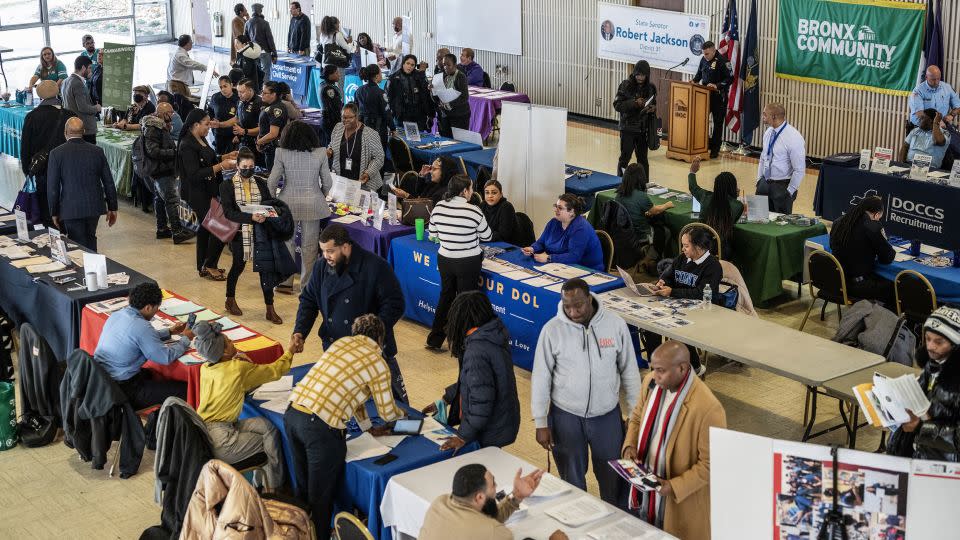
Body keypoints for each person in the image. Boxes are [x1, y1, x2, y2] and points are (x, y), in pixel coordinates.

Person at [285, 314, 402, 538]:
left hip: (293, 415)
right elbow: (388, 413)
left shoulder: (340, 343)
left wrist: (367, 427)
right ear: (380, 338)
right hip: (320, 429)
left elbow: (354, 393)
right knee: (320, 500)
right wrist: (404, 417)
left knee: (302, 491)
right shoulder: (378, 361)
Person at [531, 278, 640, 504]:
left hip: (607, 416)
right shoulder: (552, 330)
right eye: (567, 306)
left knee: (614, 479)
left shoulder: (615, 325)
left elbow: (630, 372)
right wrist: (541, 422)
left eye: (578, 305)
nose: (573, 311)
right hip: (565, 416)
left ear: (589, 298)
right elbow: (541, 378)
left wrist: (635, 416)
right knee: (572, 482)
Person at [621, 341, 726, 539]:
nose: (654, 375)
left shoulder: (708, 408)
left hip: (680, 500)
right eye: (653, 369)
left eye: (661, 370)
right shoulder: (651, 383)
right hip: (648, 490)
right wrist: (630, 447)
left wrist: (673, 486)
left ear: (682, 368)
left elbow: (712, 465)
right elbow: (636, 417)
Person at [291, 225, 408, 401]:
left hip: (373, 352)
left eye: (330, 251)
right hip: (334, 349)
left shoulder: (375, 266)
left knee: (393, 402)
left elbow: (395, 304)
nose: (326, 256)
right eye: (323, 251)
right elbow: (308, 301)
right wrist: (300, 331)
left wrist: (371, 333)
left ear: (346, 247)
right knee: (344, 401)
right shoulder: (321, 267)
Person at [194, 320, 292, 489]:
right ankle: (275, 488)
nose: (234, 343)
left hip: (207, 432)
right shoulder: (237, 369)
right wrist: (290, 351)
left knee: (268, 427)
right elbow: (275, 371)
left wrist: (246, 365)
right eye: (230, 342)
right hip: (224, 441)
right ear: (224, 351)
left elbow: (241, 384)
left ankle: (263, 485)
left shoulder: (206, 368)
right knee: (269, 444)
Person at [423, 291, 520, 450]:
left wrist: (462, 436)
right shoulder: (492, 334)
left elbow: (481, 401)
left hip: (489, 432)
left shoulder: (477, 351)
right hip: (501, 421)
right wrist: (446, 399)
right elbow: (473, 381)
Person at [93, 283, 191, 411]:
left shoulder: (118, 314)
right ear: (148, 307)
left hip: (102, 379)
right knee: (185, 390)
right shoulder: (142, 326)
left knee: (152, 374)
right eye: (157, 308)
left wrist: (169, 332)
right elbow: (165, 357)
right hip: (123, 389)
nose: (156, 312)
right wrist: (185, 339)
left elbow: (139, 337)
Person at [425, 176, 492, 351]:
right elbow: (487, 236)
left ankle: (435, 338)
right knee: (465, 301)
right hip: (468, 261)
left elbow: (432, 233)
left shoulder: (439, 207)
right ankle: (460, 343)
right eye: (471, 188)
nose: (472, 192)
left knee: (446, 296)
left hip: (445, 259)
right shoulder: (474, 211)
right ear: (464, 191)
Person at [217, 147, 283, 322]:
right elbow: (229, 213)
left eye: (251, 166)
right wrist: (251, 217)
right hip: (240, 233)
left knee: (265, 270)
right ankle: (230, 299)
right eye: (244, 166)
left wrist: (270, 212)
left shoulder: (261, 183)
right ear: (237, 166)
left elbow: (269, 203)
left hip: (261, 232)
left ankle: (270, 308)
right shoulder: (227, 185)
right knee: (238, 266)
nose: (248, 169)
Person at [646, 226, 723, 375]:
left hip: (701, 310)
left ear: (699, 247)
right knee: (650, 326)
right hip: (677, 304)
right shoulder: (683, 258)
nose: (683, 249)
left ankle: (694, 365)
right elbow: (668, 275)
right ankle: (655, 365)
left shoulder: (713, 266)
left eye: (686, 246)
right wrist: (662, 282)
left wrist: (672, 291)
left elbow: (702, 294)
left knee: (678, 328)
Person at [888, 306, 960, 462]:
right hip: (918, 455)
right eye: (927, 338)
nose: (930, 346)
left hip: (945, 468)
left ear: (955, 344)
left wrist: (920, 427)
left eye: (939, 342)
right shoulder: (932, 364)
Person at [267, 121, 332, 293]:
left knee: (287, 243)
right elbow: (328, 181)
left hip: (287, 203)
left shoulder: (281, 153)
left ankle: (286, 282)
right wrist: (322, 195)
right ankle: (306, 285)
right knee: (309, 247)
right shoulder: (320, 153)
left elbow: (271, 181)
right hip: (313, 203)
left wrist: (274, 201)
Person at [178, 109, 237, 279]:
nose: (209, 127)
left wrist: (226, 157)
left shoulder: (200, 138)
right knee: (223, 227)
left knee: (205, 230)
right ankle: (210, 264)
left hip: (208, 190)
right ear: (196, 125)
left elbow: (208, 159)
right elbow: (194, 174)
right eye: (206, 124)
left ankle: (203, 265)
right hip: (196, 194)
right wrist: (221, 166)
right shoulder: (186, 145)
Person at [418, 464, 548, 540]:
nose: (496, 486)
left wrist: (516, 496)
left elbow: (486, 520)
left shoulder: (440, 502)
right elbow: (488, 527)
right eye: (493, 484)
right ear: (479, 497)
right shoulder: (495, 532)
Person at [47, 117, 117, 251]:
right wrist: (112, 207)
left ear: (65, 132)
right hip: (94, 206)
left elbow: (53, 188)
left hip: (70, 208)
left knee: (77, 243)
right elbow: (108, 181)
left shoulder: (56, 154)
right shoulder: (97, 151)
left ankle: (84, 269)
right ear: (83, 131)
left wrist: (54, 212)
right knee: (90, 237)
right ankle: (94, 268)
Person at [19, 80, 76, 227]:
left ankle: (52, 242)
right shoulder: (70, 116)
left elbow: (25, 148)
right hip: (68, 171)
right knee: (66, 209)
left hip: (43, 171)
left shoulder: (32, 117)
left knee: (47, 211)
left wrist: (29, 170)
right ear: (57, 92)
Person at [828, 195, 896, 307]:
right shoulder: (872, 226)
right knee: (896, 287)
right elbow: (887, 258)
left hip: (836, 281)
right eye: (879, 218)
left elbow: (832, 245)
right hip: (856, 285)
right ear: (876, 214)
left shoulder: (839, 221)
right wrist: (882, 238)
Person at [143, 102, 193, 244]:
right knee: (171, 199)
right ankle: (177, 232)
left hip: (161, 168)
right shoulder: (153, 128)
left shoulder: (159, 126)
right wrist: (174, 153)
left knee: (160, 199)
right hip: (162, 169)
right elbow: (153, 151)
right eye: (170, 113)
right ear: (162, 113)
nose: (172, 115)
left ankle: (162, 229)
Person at [522, 194, 604, 272]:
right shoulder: (553, 222)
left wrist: (549, 258)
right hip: (560, 267)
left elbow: (574, 257)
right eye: (556, 206)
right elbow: (541, 242)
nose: (555, 210)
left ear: (572, 211)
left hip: (585, 270)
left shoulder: (581, 228)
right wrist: (532, 248)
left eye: (560, 208)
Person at [689, 156, 743, 259]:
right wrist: (735, 197)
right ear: (733, 187)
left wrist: (692, 172)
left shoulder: (705, 196)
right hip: (719, 248)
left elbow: (693, 187)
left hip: (699, 243)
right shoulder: (737, 206)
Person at [756, 103, 805, 214]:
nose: (763, 116)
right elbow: (763, 157)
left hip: (782, 188)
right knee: (758, 221)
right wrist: (759, 180)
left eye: (765, 114)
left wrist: (790, 191)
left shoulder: (794, 138)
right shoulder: (768, 132)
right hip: (764, 185)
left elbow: (799, 169)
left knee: (780, 227)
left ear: (774, 117)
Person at [327, 103, 385, 194]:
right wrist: (330, 149)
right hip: (341, 181)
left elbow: (379, 157)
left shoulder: (370, 134)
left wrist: (368, 173)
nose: (346, 120)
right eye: (343, 117)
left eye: (349, 117)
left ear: (357, 116)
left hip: (363, 183)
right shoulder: (338, 128)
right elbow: (332, 144)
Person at [613, 60, 656, 176]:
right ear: (634, 73)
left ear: (647, 75)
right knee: (624, 159)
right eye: (638, 74)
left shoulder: (651, 88)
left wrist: (652, 108)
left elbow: (653, 103)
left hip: (643, 130)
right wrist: (634, 103)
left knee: (643, 161)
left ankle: (643, 186)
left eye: (643, 75)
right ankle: (620, 183)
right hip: (628, 129)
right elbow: (617, 105)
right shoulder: (625, 85)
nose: (640, 78)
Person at [615, 163, 673, 247]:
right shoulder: (641, 196)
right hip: (640, 235)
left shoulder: (619, 194)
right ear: (641, 178)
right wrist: (667, 205)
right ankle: (652, 257)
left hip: (623, 234)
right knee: (666, 232)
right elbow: (655, 211)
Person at [692, 41, 733, 159]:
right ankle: (701, 146)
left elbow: (730, 78)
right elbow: (699, 74)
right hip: (704, 95)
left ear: (714, 50)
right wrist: (693, 82)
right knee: (701, 120)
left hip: (718, 96)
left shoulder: (723, 61)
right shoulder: (703, 59)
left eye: (707, 54)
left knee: (717, 123)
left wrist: (717, 85)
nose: (705, 56)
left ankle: (715, 150)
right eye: (704, 54)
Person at [388, 54, 434, 131]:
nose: (409, 67)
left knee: (420, 137)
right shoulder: (394, 77)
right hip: (402, 115)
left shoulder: (419, 76)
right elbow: (390, 97)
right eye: (407, 63)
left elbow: (426, 94)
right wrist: (395, 113)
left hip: (418, 115)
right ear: (403, 63)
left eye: (412, 65)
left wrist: (430, 114)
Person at [61, 55, 101, 144]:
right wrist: (97, 108)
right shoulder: (78, 83)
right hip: (84, 128)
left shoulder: (65, 81)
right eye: (89, 68)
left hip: (73, 127)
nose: (91, 71)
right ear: (83, 68)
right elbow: (83, 107)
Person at [395, 155, 459, 203]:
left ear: (445, 171)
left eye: (434, 169)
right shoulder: (436, 183)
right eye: (431, 168)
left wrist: (406, 195)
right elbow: (420, 192)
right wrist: (422, 175)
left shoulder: (443, 193)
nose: (430, 171)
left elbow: (424, 208)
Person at [435, 53, 471, 138]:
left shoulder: (460, 77)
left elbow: (464, 97)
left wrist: (448, 104)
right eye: (444, 65)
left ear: (455, 65)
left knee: (458, 140)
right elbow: (437, 96)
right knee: (445, 139)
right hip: (445, 114)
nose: (446, 67)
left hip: (459, 115)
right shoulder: (441, 75)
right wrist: (432, 89)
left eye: (448, 65)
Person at [355, 64, 390, 150]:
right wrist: (392, 128)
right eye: (381, 73)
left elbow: (355, 109)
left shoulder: (359, 91)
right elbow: (386, 112)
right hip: (378, 130)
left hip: (362, 129)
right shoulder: (380, 93)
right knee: (379, 156)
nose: (381, 75)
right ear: (376, 76)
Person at [256, 81, 288, 170]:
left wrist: (258, 142)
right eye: (262, 92)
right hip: (268, 148)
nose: (262, 94)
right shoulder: (271, 106)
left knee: (273, 178)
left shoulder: (276, 109)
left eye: (265, 93)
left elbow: (273, 134)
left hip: (274, 149)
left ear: (273, 94)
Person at [203, 76, 239, 155]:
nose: (223, 89)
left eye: (225, 86)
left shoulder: (238, 99)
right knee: (219, 158)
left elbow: (241, 119)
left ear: (231, 85)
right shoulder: (215, 97)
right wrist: (212, 123)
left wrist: (239, 136)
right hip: (219, 135)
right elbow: (210, 111)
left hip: (233, 136)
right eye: (220, 87)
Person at [318, 15, 355, 87]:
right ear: (334, 25)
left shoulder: (322, 35)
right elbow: (348, 50)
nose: (339, 26)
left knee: (328, 85)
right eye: (338, 24)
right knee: (339, 87)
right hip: (336, 63)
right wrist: (350, 43)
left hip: (325, 63)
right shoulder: (337, 34)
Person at [245, 3, 277, 82]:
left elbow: (245, 39)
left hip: (253, 52)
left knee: (256, 72)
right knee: (266, 72)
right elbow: (270, 39)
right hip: (264, 52)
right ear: (260, 11)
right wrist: (274, 53)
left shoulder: (247, 23)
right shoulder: (265, 23)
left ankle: (258, 90)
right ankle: (265, 91)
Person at [479, 179, 517, 244]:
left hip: (506, 244)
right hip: (487, 241)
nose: (490, 196)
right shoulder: (482, 205)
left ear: (501, 194)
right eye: (487, 192)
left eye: (494, 193)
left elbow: (504, 236)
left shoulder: (506, 206)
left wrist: (481, 236)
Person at [318, 65, 342, 146]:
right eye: (336, 73)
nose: (339, 74)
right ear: (330, 75)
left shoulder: (323, 84)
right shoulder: (329, 89)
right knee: (332, 146)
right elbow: (336, 107)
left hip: (327, 120)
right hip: (331, 122)